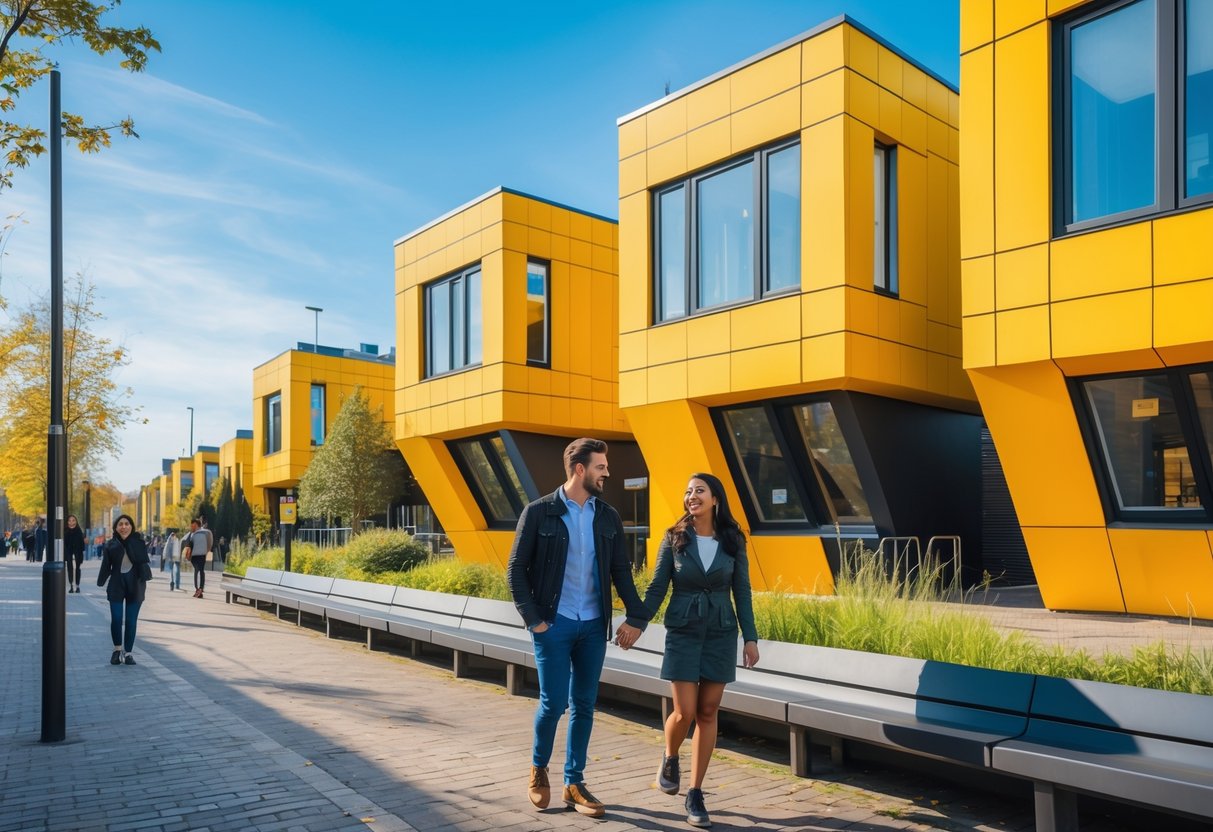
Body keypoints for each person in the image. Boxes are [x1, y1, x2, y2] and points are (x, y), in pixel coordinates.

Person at [506, 437, 649, 817]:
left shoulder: (607, 516)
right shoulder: (539, 513)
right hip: (554, 625)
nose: (608, 473)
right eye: (601, 467)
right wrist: (535, 620)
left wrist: (637, 616)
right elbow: (516, 570)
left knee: (584, 705)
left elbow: (621, 571)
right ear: (580, 469)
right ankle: (539, 769)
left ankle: (574, 782)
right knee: (554, 703)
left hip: (592, 628)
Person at [639, 472, 759, 829]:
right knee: (685, 711)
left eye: (699, 491)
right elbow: (658, 587)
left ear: (715, 499)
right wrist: (637, 621)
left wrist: (750, 637)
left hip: (720, 632)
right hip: (684, 631)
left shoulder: (733, 540)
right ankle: (670, 754)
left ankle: (695, 792)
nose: (692, 496)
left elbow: (743, 592)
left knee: (708, 711)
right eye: (688, 491)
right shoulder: (674, 538)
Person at [97, 514, 151, 666]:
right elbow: (106, 566)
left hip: (136, 585)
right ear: (116, 527)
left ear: (131, 526)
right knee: (116, 619)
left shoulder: (139, 542)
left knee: (131, 621)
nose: (124, 526)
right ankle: (116, 650)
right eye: (120, 524)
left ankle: (128, 653)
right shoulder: (110, 545)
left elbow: (143, 562)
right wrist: (101, 581)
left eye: (127, 524)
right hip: (116, 585)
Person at [185, 518, 211, 598]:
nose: (191, 527)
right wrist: (207, 551)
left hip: (195, 555)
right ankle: (200, 588)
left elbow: (188, 545)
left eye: (193, 526)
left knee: (197, 571)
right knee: (201, 571)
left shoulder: (193, 534)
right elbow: (210, 542)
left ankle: (198, 589)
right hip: (202, 554)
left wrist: (187, 555)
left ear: (196, 525)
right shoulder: (207, 533)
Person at [65, 514, 86, 593]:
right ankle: (71, 585)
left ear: (76, 521)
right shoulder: (65, 531)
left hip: (78, 552)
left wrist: (81, 554)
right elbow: (64, 544)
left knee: (78, 569)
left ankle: (77, 586)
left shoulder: (79, 531)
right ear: (67, 522)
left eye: (73, 520)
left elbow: (82, 544)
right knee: (70, 568)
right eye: (70, 521)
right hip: (68, 552)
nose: (71, 522)